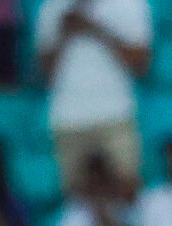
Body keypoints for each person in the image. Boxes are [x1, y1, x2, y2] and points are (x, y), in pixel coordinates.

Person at [36, 0, 151, 183]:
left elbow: (141, 64)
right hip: (67, 119)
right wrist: (64, 33)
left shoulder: (130, 4)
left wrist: (94, 28)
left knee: (127, 193)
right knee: (77, 205)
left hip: (116, 114)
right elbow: (43, 74)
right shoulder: (53, 7)